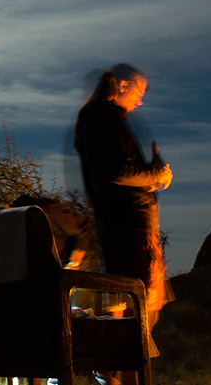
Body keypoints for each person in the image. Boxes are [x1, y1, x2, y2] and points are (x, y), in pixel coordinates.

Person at [75, 63, 173, 338]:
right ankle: (120, 371)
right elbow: (117, 171)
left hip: (125, 224)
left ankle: (115, 370)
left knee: (133, 303)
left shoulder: (96, 119)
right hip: (130, 227)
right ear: (122, 85)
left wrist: (152, 177)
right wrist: (157, 174)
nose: (140, 100)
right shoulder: (104, 119)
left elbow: (119, 172)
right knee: (136, 306)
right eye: (139, 91)